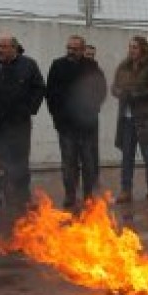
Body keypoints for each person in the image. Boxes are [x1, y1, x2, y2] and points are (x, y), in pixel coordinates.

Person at [0, 34, 45, 214]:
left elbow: (39, 88)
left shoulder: (29, 65)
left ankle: (21, 199)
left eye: (5, 47)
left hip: (19, 125)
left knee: (20, 163)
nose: (1, 50)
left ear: (14, 48)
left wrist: (29, 109)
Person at [46, 35, 107, 209]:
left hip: (87, 125)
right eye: (69, 48)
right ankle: (70, 195)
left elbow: (100, 90)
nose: (71, 51)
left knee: (88, 162)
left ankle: (88, 195)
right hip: (66, 125)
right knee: (69, 163)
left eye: (74, 49)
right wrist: (57, 116)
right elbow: (50, 93)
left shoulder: (91, 67)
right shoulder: (58, 65)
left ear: (82, 49)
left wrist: (92, 109)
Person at [111, 36, 148, 203]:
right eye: (130, 47)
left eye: (135, 47)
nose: (132, 50)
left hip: (145, 117)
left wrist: (136, 94)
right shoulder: (123, 66)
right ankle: (126, 190)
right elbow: (114, 87)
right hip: (126, 118)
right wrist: (120, 92)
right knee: (127, 155)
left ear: (143, 48)